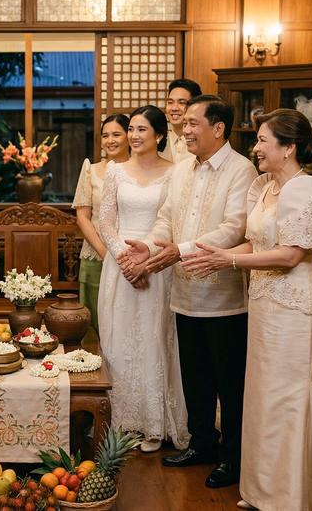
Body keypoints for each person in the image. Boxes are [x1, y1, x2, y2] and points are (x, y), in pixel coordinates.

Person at [181, 109, 312, 511]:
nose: (256, 147)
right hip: (265, 306)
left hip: (297, 309)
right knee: (264, 398)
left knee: (291, 399)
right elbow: (256, 243)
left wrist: (227, 262)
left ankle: (297, 496)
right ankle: (264, 491)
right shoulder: (264, 185)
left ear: (288, 148)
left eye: (264, 140)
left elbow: (288, 256)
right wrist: (219, 253)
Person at [123, 95, 257, 488]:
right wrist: (149, 245)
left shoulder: (241, 171)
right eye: (185, 123)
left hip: (224, 299)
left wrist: (178, 251)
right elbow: (166, 219)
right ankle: (202, 444)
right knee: (194, 377)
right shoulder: (182, 170)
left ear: (218, 128)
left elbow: (234, 228)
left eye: (194, 122)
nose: (185, 128)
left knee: (229, 384)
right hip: (183, 294)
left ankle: (232, 458)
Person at [98, 106, 189, 453]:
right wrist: (125, 260)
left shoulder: (177, 172)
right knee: (118, 342)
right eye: (131, 129)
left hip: (158, 265)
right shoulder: (114, 172)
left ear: (160, 136)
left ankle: (154, 424)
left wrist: (147, 259)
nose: (134, 136)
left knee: (154, 341)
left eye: (142, 130)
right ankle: (121, 422)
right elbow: (106, 221)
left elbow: (174, 222)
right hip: (120, 265)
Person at [72, 113, 130, 334]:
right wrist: (105, 252)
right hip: (96, 255)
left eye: (117, 134)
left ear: (129, 136)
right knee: (95, 324)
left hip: (130, 256)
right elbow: (83, 217)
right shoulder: (91, 169)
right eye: (105, 135)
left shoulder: (139, 170)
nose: (110, 141)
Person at [159, 79, 202, 164]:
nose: (174, 108)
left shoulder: (202, 145)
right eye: (170, 102)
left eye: (182, 103)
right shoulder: (158, 141)